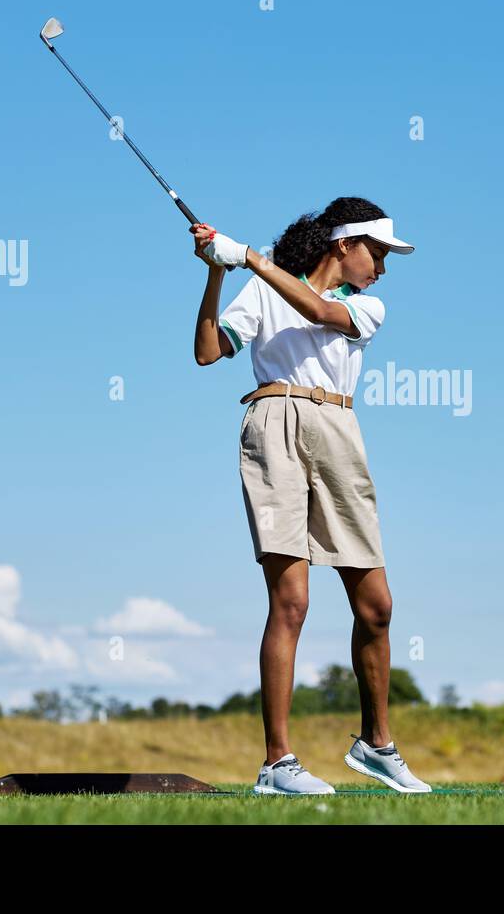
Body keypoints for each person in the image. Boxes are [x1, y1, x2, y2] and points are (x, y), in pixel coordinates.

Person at [191, 197, 431, 796]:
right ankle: (277, 763)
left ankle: (376, 744)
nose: (381, 266)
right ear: (343, 243)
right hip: (272, 422)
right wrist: (218, 271)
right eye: (377, 252)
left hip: (339, 433)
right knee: (290, 600)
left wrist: (247, 257)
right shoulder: (266, 288)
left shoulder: (365, 306)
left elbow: (321, 312)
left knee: (376, 605)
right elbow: (207, 351)